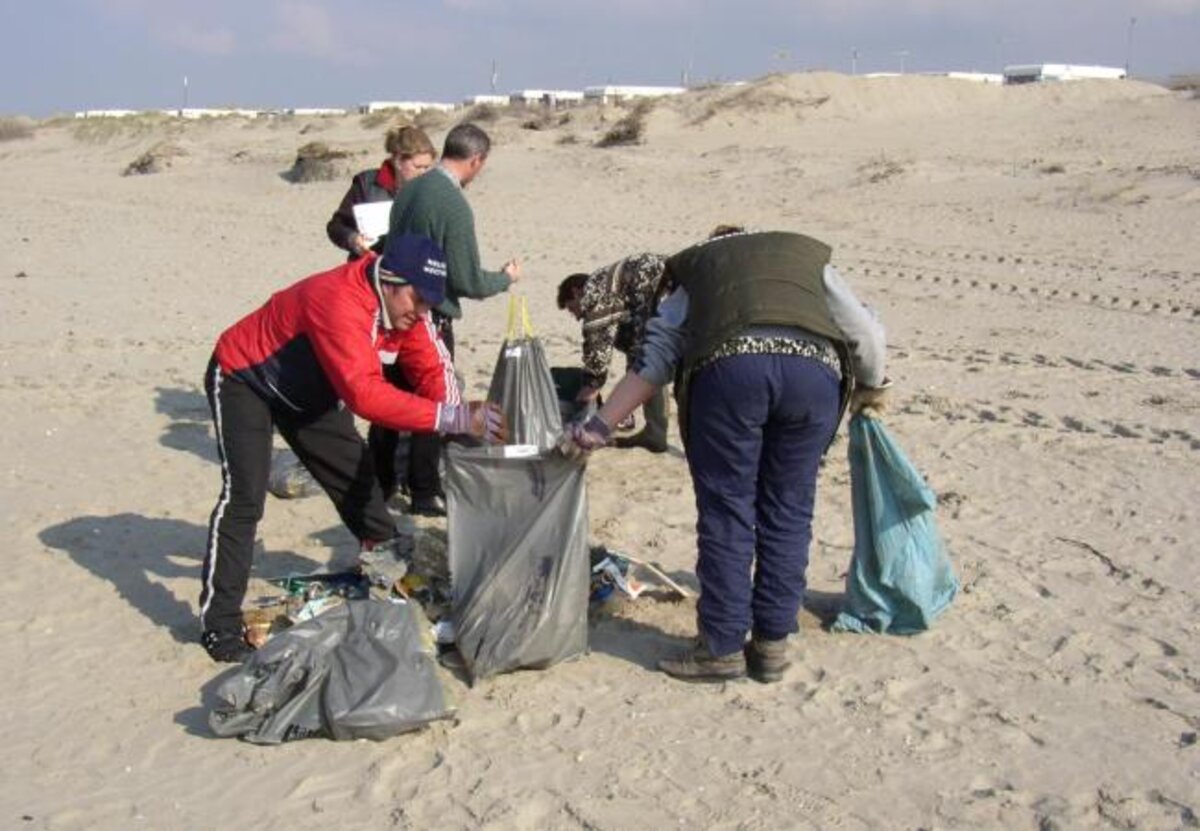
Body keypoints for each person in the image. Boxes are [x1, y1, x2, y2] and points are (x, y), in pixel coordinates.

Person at [562, 229, 889, 684]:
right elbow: (865, 331)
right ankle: (772, 644)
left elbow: (657, 357)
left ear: (715, 244)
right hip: (813, 379)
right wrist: (873, 387)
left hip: (730, 375)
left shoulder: (700, 267)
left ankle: (721, 648)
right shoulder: (804, 258)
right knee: (789, 511)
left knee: (727, 512)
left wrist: (599, 426)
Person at [200, 232, 506, 663]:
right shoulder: (337, 298)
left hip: (310, 395)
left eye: (428, 305)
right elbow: (366, 396)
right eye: (416, 301)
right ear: (390, 281)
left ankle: (393, 580)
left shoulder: (412, 314)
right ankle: (219, 624)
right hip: (245, 377)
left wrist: (459, 421)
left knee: (358, 483)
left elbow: (433, 369)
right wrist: (451, 418)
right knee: (245, 497)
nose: (420, 313)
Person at [385, 122, 522, 516]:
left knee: (392, 404)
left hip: (393, 308)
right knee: (437, 402)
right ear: (476, 161)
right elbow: (467, 280)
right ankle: (425, 492)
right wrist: (505, 278)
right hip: (429, 316)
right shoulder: (453, 204)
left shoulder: (410, 189)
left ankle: (384, 482)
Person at [556, 253, 672, 452]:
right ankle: (656, 433)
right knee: (647, 361)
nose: (575, 317)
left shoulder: (595, 291)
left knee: (649, 361)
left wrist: (592, 385)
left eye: (571, 308)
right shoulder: (614, 291)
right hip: (666, 285)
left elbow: (597, 345)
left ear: (576, 292)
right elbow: (634, 347)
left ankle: (656, 432)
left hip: (663, 285)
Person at [326, 125, 436, 258]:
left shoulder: (432, 189)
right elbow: (336, 226)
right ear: (398, 161)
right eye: (418, 166)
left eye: (427, 167)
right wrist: (353, 240)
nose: (423, 173)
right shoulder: (366, 184)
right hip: (369, 267)